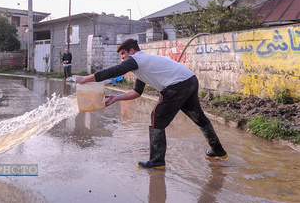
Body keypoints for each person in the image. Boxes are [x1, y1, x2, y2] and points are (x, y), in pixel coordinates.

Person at [75, 38, 227, 169]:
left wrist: (85, 79)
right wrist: (116, 98)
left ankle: (157, 160)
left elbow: (113, 72)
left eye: (123, 54)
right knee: (198, 116)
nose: (122, 58)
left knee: (156, 117)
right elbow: (136, 92)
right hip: (190, 80)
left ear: (132, 51)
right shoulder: (142, 64)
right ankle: (218, 150)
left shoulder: (136, 60)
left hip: (177, 85)